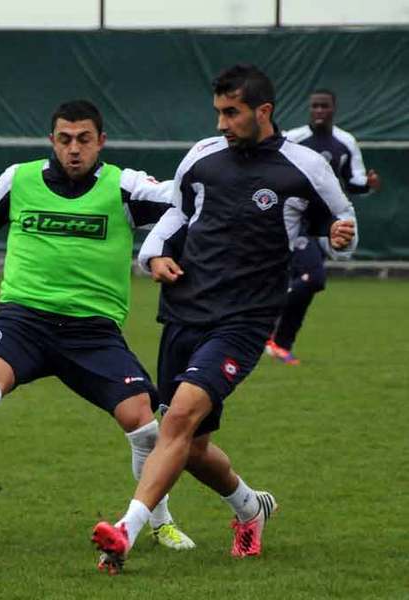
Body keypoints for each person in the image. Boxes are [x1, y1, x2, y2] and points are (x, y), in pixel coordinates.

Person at [0, 100, 195, 552]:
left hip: (92, 331)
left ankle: (158, 521)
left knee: (143, 423)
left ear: (101, 142)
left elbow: (186, 200)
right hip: (23, 320)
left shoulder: (124, 187)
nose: (74, 149)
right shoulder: (19, 179)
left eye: (84, 139)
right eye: (64, 139)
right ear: (52, 140)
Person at [91, 65, 357, 575]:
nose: (221, 123)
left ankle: (124, 531)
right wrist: (153, 256)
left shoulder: (305, 166)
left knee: (177, 420)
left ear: (263, 111)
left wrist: (342, 238)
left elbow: (343, 222)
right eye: (218, 112)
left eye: (232, 113)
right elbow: (177, 214)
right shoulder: (202, 156)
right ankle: (250, 507)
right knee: (191, 446)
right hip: (184, 311)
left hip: (244, 320)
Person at [265, 89, 381, 364]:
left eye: (324, 106)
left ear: (333, 108)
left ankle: (278, 341)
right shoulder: (294, 138)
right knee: (314, 278)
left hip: (326, 224)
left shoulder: (345, 142)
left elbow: (353, 181)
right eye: (315, 106)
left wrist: (368, 184)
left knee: (305, 283)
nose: (319, 111)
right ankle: (266, 324)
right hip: (296, 220)